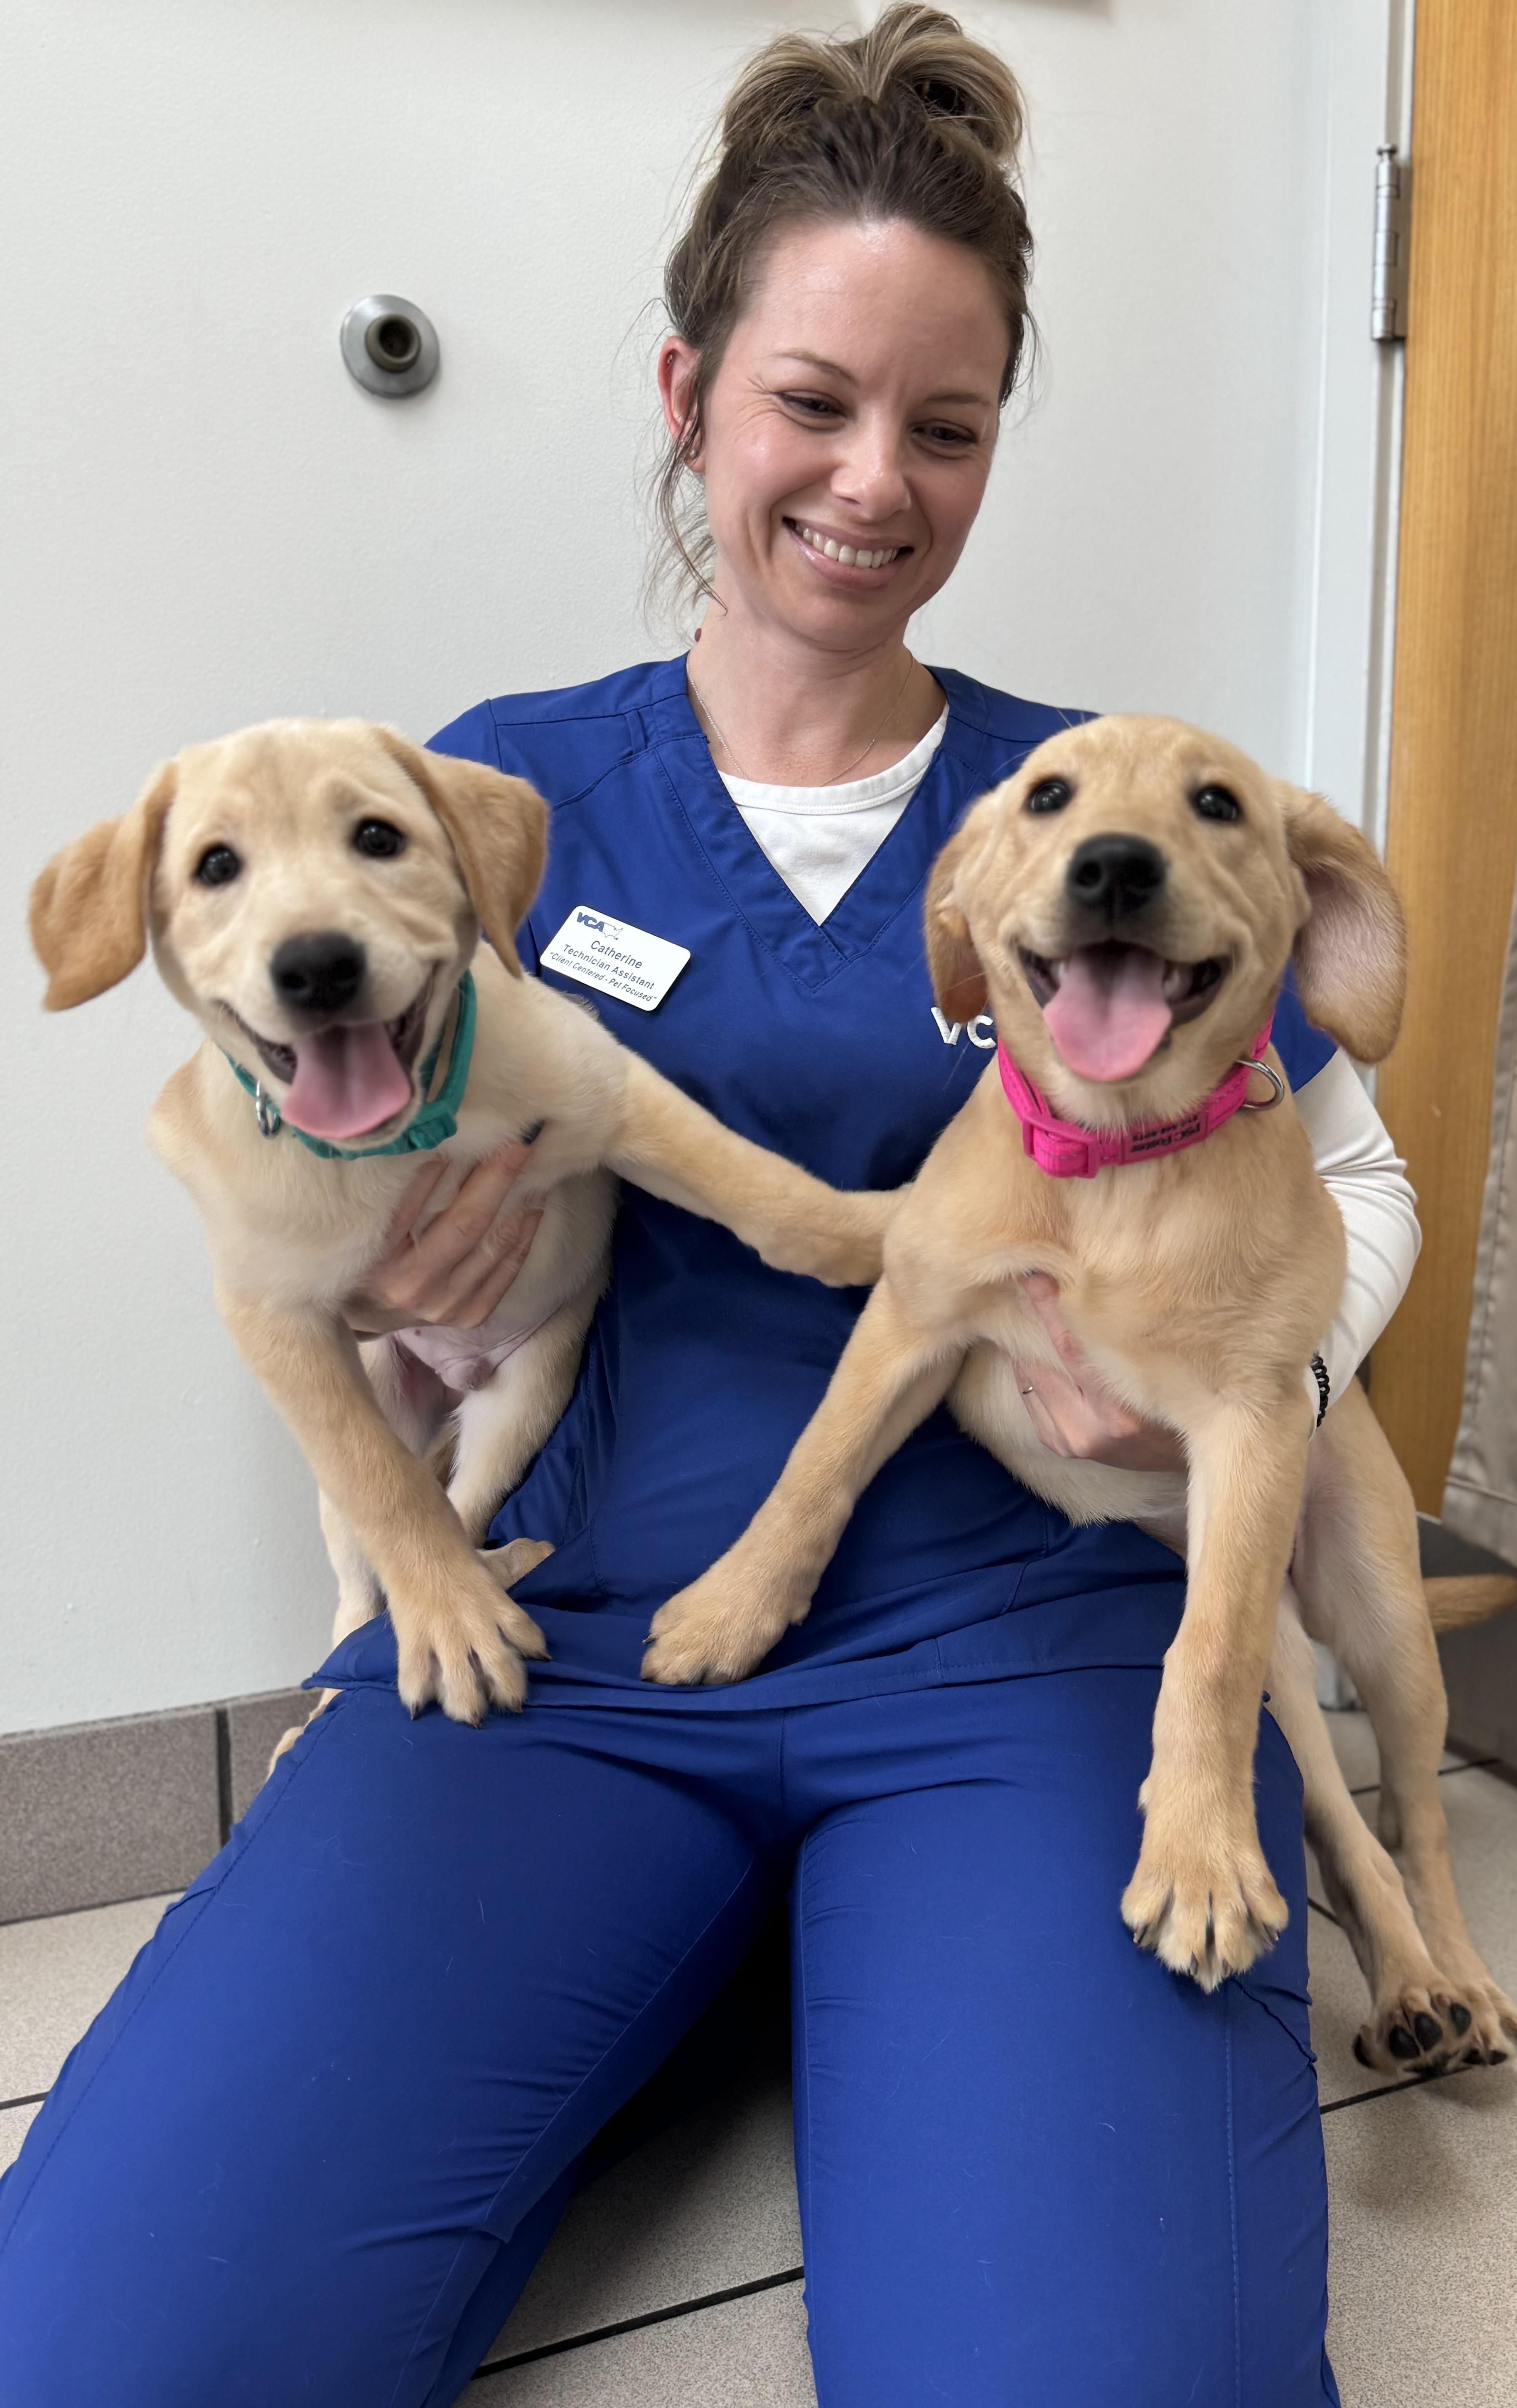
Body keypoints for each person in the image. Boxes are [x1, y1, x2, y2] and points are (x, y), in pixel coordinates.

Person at [0, 12, 1418, 2402]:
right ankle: (742, 1952)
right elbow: (268, 1110)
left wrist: (1206, 1359)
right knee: (106, 2340)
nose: (876, 481)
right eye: (813, 403)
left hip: (1020, 1637)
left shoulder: (1101, 808)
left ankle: (901, 1971)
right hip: (572, 1638)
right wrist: (382, 1297)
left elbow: (1344, 1179)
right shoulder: (482, 793)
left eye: (945, 427)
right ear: (690, 395)